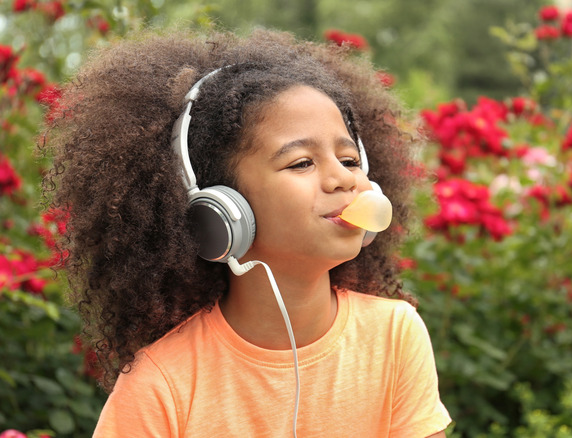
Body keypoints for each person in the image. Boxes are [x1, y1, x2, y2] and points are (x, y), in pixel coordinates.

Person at [42, 27, 451, 437]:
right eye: (301, 163)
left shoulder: (395, 334)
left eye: (348, 159)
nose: (343, 179)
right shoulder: (162, 383)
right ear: (220, 210)